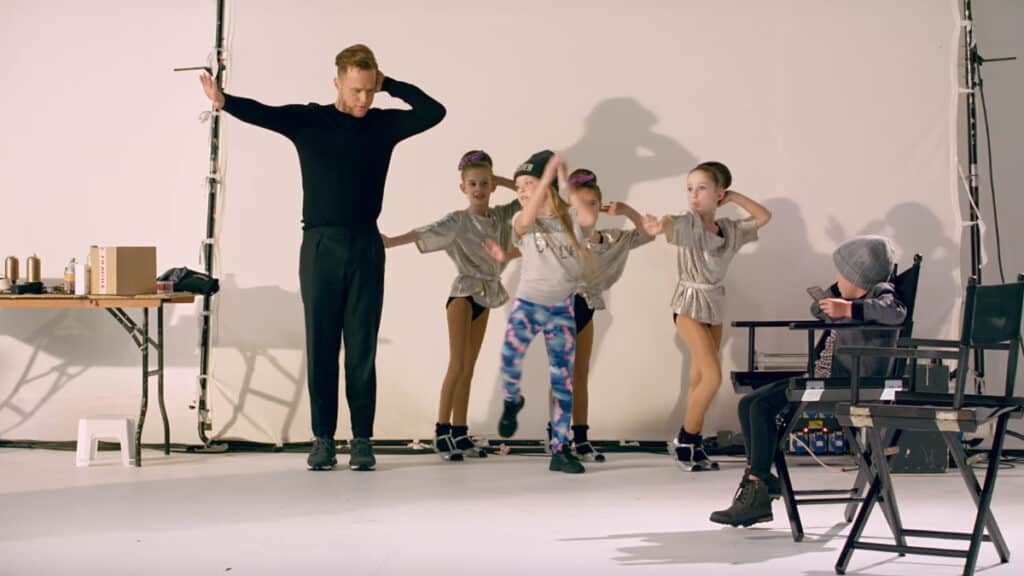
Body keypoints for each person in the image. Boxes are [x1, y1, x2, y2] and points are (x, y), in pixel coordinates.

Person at [199, 44, 446, 471]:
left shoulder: (383, 125)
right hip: (319, 247)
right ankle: (324, 439)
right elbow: (266, 113)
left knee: (362, 347)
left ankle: (362, 439)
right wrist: (225, 101)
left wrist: (390, 85)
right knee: (322, 345)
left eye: (370, 89)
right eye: (355, 90)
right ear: (337, 83)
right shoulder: (310, 121)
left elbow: (433, 112)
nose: (364, 99)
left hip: (366, 245)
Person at [710, 235, 906, 527]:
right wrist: (834, 299)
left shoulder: (881, 294)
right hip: (825, 379)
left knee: (762, 408)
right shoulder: (850, 298)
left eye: (842, 274)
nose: (837, 279)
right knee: (749, 404)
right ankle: (759, 480)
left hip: (850, 386)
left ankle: (757, 486)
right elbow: (817, 311)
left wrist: (848, 309)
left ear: (859, 277)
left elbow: (895, 312)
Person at [381, 150, 519, 461]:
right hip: (463, 295)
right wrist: (390, 242)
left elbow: (533, 198)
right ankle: (442, 431)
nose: (479, 189)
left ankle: (460, 431)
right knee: (457, 364)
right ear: (463, 188)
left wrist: (502, 180)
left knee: (469, 368)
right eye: (473, 184)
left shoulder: (501, 217)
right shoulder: (458, 221)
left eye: (485, 183)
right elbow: (423, 232)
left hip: (487, 294)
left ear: (492, 186)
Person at [642, 162, 771, 471]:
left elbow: (764, 217)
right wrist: (659, 226)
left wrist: (734, 196)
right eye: (690, 189)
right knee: (713, 377)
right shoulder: (688, 222)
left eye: (701, 189)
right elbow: (670, 222)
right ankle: (685, 439)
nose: (693, 195)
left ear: (718, 193)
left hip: (713, 305)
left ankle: (694, 443)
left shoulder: (730, 231)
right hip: (687, 304)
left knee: (699, 378)